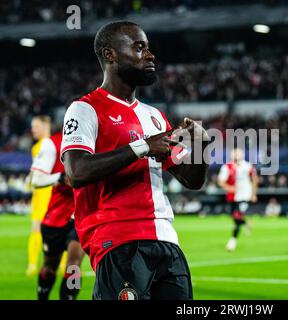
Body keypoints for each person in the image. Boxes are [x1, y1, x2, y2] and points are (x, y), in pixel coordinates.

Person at [61, 21, 209, 300]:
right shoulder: (85, 109)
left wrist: (200, 146)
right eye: (139, 48)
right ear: (110, 55)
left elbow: (192, 180)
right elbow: (76, 172)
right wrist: (143, 146)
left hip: (166, 241)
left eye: (149, 48)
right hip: (118, 240)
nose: (150, 55)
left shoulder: (155, 116)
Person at [30, 131, 84, 300]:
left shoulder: (99, 140)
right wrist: (61, 177)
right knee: (49, 267)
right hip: (55, 217)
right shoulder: (52, 143)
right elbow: (36, 180)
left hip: (82, 216)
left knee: (74, 265)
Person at [26, 115, 53, 277]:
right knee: (56, 230)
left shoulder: (46, 146)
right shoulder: (38, 147)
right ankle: (62, 265)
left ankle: (32, 265)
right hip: (41, 193)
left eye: (36, 126)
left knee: (38, 229)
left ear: (45, 126)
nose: (33, 130)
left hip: (47, 193)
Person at [218, 148, 258, 251]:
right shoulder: (226, 167)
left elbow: (254, 179)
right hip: (233, 196)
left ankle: (232, 241)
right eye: (234, 153)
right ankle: (246, 223)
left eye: (238, 153)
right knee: (234, 217)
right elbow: (221, 181)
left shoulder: (247, 166)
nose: (236, 155)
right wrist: (229, 188)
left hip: (245, 195)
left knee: (237, 216)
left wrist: (253, 194)